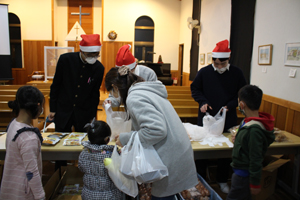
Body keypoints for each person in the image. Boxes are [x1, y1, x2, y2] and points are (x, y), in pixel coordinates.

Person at [104, 66, 198, 200]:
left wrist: (125, 138)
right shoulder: (145, 90)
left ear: (115, 87)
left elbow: (156, 130)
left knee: (162, 197)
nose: (113, 96)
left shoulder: (134, 97)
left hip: (171, 157)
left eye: (111, 92)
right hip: (177, 150)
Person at [191, 39, 247, 193]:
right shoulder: (204, 72)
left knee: (225, 149)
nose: (219, 67)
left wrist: (230, 105)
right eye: (216, 64)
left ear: (228, 60)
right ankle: (200, 179)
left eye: (222, 64)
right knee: (203, 148)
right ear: (213, 61)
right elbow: (195, 89)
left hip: (227, 117)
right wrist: (202, 101)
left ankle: (222, 180)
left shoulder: (237, 73)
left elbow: (242, 94)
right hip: (206, 116)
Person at [48, 34, 104, 132]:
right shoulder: (65, 60)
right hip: (63, 108)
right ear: (81, 51)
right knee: (61, 138)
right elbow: (56, 85)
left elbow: (95, 94)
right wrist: (52, 108)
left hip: (83, 111)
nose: (93, 57)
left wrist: (92, 116)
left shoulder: (99, 68)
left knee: (83, 140)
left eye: (96, 55)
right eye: (89, 55)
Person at [227, 85, 275, 200]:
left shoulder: (254, 130)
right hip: (240, 171)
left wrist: (255, 183)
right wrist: (238, 138)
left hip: (244, 175)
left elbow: (256, 158)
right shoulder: (247, 120)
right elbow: (246, 142)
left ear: (242, 104)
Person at [0, 86, 45, 200]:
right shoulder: (29, 137)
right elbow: (32, 172)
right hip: (23, 192)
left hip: (10, 187)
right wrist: (40, 196)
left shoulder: (13, 124)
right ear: (38, 106)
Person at [78, 118, 122, 200]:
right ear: (107, 139)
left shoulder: (84, 153)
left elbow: (81, 167)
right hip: (110, 195)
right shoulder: (112, 154)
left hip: (88, 195)